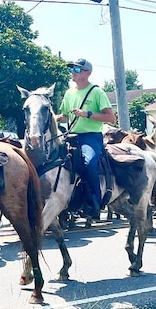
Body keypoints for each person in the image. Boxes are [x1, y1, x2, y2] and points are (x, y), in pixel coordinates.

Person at [56, 58, 116, 220]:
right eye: (72, 70)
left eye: (76, 70)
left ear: (87, 73)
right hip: (71, 136)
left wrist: (87, 114)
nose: (72, 73)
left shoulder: (97, 92)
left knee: (89, 162)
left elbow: (111, 118)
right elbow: (64, 116)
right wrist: (51, 118)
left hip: (91, 137)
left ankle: (95, 203)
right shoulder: (69, 93)